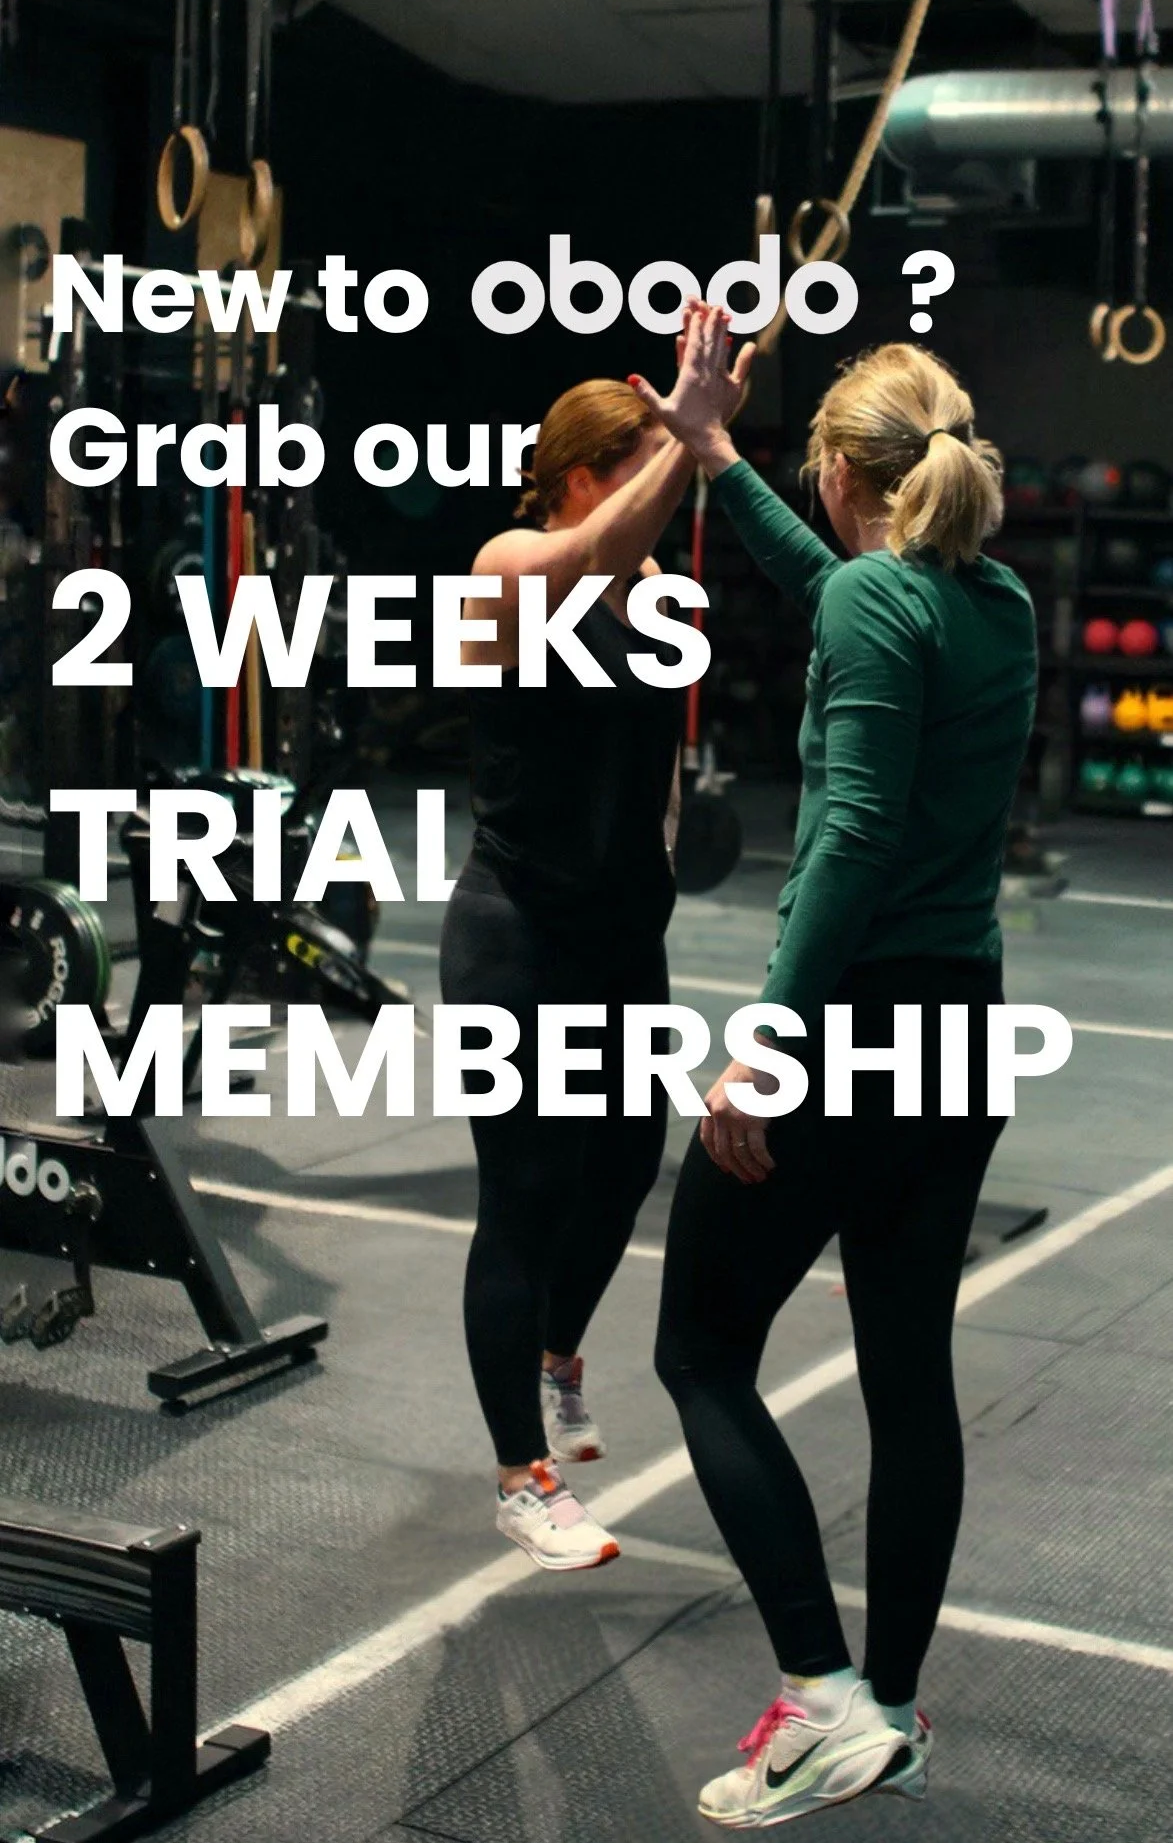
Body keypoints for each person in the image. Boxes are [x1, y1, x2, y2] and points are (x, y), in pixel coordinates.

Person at [633, 310, 1038, 1826]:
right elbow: (844, 593)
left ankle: (817, 1696)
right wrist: (708, 444)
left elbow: (854, 834)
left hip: (855, 1031)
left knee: (698, 1351)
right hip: (959, 1033)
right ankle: (891, 1709)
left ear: (842, 471)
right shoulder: (988, 600)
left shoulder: (883, 600)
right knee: (906, 1375)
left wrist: (762, 1051)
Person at [440, 361, 746, 1570]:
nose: (661, 500)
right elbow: (588, 559)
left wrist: (661, 863)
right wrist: (698, 432)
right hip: (518, 931)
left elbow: (654, 751)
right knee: (525, 1195)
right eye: (641, 470)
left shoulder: (658, 587)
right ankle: (522, 1478)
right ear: (579, 480)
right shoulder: (510, 568)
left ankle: (558, 1355)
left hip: (623, 932)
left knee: (623, 1169)